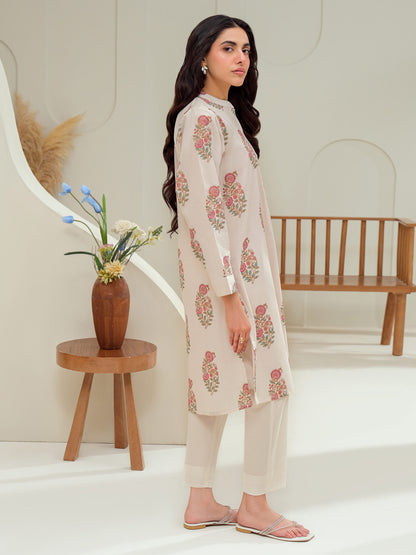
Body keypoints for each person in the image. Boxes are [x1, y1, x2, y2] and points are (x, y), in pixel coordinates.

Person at [162, 14, 314, 542]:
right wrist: (231, 297)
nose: (241, 57)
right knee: (270, 384)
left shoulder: (220, 114)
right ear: (203, 56)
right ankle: (256, 504)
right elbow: (204, 212)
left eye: (246, 49)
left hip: (233, 276)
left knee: (215, 382)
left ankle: (201, 500)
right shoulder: (203, 119)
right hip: (231, 282)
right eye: (228, 47)